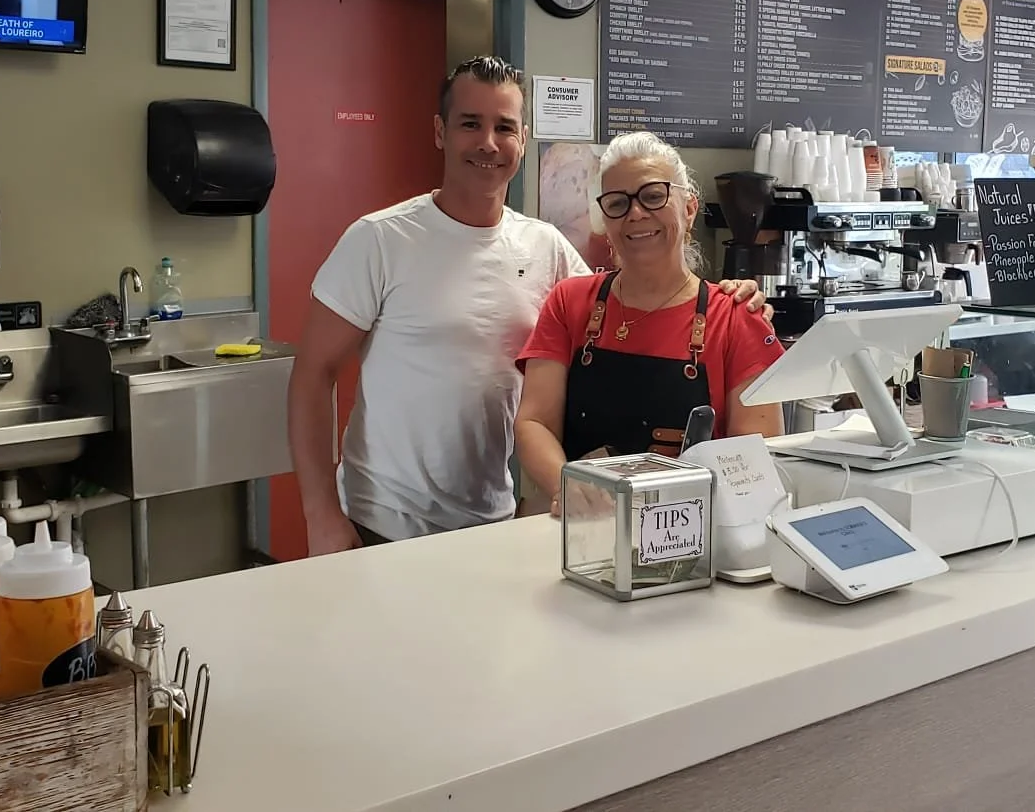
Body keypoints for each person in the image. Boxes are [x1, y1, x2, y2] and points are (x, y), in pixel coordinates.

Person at [288, 58, 767, 555]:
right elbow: (312, 375)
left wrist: (727, 301)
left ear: (522, 138)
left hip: (492, 520)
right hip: (382, 524)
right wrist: (320, 513)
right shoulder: (380, 240)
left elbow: (640, 292)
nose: (488, 143)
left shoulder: (545, 247)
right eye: (470, 124)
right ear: (440, 131)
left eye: (504, 127)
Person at [515, 132, 785, 507]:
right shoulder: (569, 302)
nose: (636, 213)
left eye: (654, 196)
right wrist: (568, 489)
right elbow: (535, 422)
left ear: (689, 208)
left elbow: (756, 460)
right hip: (585, 527)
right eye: (617, 203)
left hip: (693, 529)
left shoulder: (736, 317)